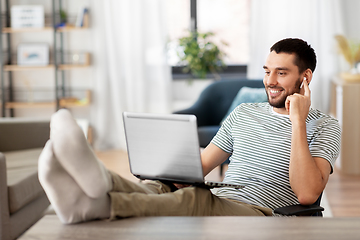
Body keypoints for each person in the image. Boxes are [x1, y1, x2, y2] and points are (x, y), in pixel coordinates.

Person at [38, 38, 341, 224]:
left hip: (265, 214)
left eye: (281, 72)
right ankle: (98, 183)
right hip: (223, 199)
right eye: (266, 71)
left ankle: (93, 204)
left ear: (305, 77)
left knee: (196, 200)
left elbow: (306, 194)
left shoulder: (325, 126)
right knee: (162, 188)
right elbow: (204, 164)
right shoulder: (244, 113)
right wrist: (168, 171)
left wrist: (297, 122)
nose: (270, 80)